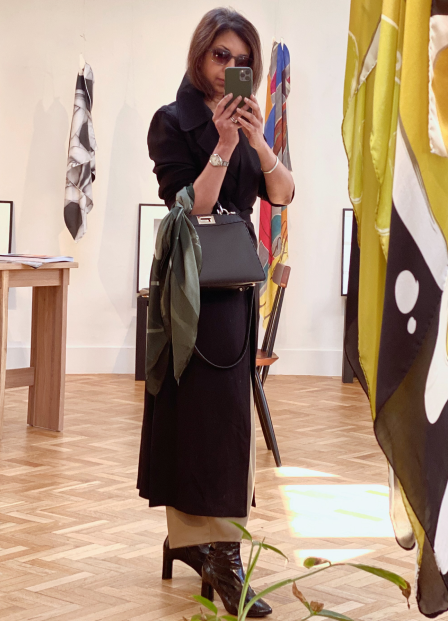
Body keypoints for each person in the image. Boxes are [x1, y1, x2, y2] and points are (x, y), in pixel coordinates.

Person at [137, 7, 294, 618]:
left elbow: (281, 193)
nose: (230, 67)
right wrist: (224, 146)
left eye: (240, 60)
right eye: (220, 55)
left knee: (227, 425)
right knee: (191, 415)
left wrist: (255, 140)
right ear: (200, 57)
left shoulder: (252, 124)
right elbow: (189, 208)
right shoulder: (171, 122)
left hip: (235, 296)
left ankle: (207, 552)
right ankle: (214, 560)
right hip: (187, 290)